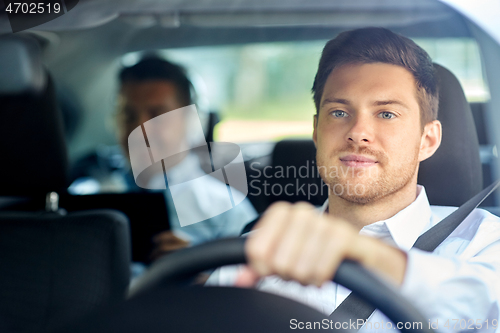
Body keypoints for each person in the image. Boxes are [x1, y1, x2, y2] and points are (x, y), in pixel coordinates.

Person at [207, 27, 500, 330]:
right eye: (338, 112)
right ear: (316, 132)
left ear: (427, 140)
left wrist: (361, 252)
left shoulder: (485, 243)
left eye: (386, 114)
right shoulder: (249, 258)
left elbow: (487, 300)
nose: (358, 132)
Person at [116, 56, 258, 259]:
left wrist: (195, 270)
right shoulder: (86, 196)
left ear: (189, 120)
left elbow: (249, 285)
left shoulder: (226, 209)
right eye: (129, 116)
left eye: (157, 115)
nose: (139, 130)